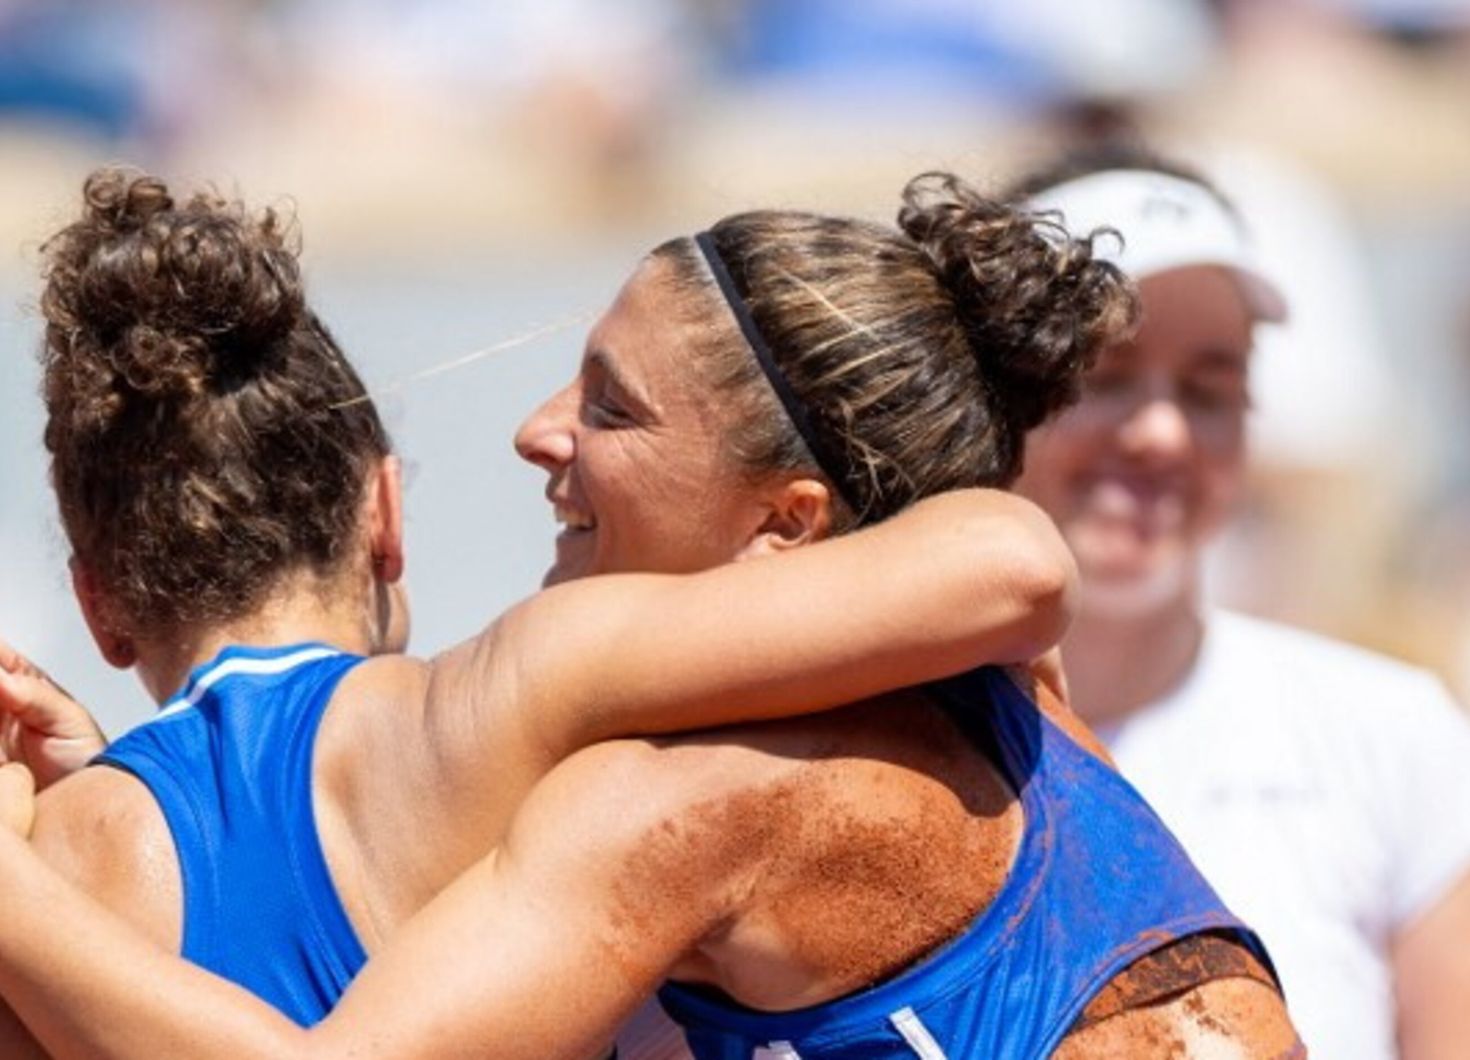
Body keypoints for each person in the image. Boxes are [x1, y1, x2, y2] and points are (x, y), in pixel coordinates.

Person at [0, 169, 1300, 1057]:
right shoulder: (1019, 696)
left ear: (786, 530)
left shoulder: (676, 805)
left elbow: (1013, 553)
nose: (534, 431)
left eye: (612, 408)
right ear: (383, 518)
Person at [1008, 143, 1470, 1060]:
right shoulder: (866, 749)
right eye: (1106, 376)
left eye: (1210, 387)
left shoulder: (1397, 745)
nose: (1161, 432)